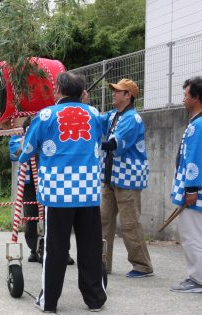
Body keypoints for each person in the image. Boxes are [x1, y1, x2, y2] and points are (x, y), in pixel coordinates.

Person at [19, 72, 107, 313]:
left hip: (58, 193)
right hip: (88, 190)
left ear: (58, 90)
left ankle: (49, 302)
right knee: (90, 246)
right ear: (82, 92)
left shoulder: (46, 115)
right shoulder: (94, 114)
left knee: (55, 248)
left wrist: (18, 146)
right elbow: (103, 139)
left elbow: (26, 149)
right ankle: (95, 299)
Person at [100, 79, 153, 278]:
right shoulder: (113, 115)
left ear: (128, 96)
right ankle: (102, 263)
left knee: (130, 223)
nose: (113, 93)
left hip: (128, 178)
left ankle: (142, 265)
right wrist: (81, 104)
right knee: (103, 222)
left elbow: (114, 144)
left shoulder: (133, 118)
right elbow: (96, 121)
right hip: (110, 177)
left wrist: (93, 144)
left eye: (117, 91)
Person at [9, 135, 75, 265]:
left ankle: (62, 251)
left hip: (51, 178)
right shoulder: (17, 133)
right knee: (31, 215)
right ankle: (34, 249)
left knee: (56, 216)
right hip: (28, 181)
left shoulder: (49, 126)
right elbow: (15, 153)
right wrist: (27, 143)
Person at [170, 76, 202, 293]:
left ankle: (197, 279)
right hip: (195, 189)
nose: (183, 100)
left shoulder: (198, 125)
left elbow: (194, 157)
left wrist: (191, 189)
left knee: (192, 235)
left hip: (194, 191)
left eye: (185, 95)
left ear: (196, 98)